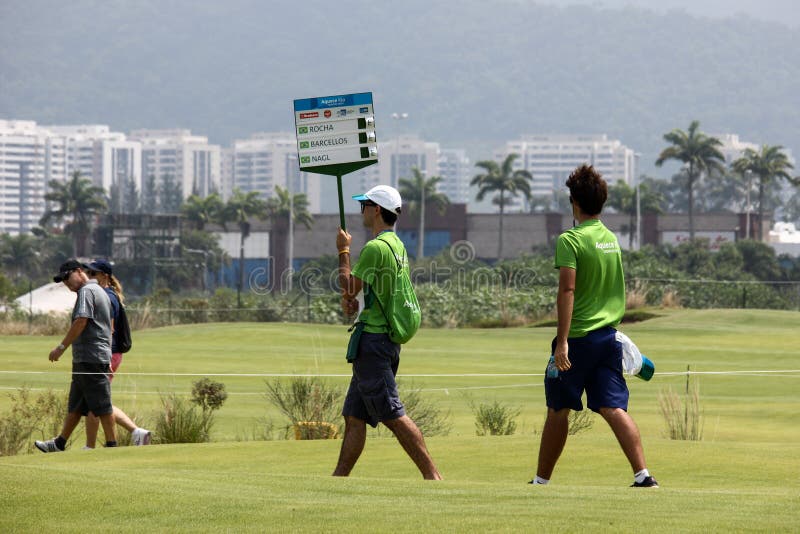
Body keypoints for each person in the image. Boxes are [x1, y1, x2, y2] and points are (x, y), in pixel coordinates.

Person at [531, 164, 658, 488]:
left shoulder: (570, 240)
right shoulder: (611, 240)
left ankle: (541, 482)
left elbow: (568, 290)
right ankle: (643, 476)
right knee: (612, 406)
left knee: (558, 408)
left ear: (574, 202)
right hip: (608, 339)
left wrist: (562, 342)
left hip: (577, 340)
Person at [333, 185, 442, 480]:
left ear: (377, 210)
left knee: (392, 414)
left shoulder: (375, 247)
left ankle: (433, 477)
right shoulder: (396, 245)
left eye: (364, 205)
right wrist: (356, 303)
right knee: (354, 417)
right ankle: (338, 479)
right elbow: (373, 291)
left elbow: (348, 286)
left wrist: (343, 249)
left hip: (374, 343)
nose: (362, 211)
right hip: (382, 340)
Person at [35, 260, 117, 452]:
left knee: (102, 405)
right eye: (63, 280)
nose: (66, 283)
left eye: (67, 277)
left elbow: (81, 321)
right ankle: (59, 443)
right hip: (89, 358)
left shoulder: (87, 292)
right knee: (76, 405)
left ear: (79, 271)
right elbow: (108, 329)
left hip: (91, 358)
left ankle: (113, 446)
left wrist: (61, 347)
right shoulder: (99, 291)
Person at [83, 259, 151, 448]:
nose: (89, 277)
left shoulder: (107, 297)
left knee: (97, 402)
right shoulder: (106, 294)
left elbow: (109, 329)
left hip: (108, 354)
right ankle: (137, 432)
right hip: (109, 353)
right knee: (99, 401)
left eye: (93, 274)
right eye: (88, 273)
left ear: (104, 276)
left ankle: (90, 447)